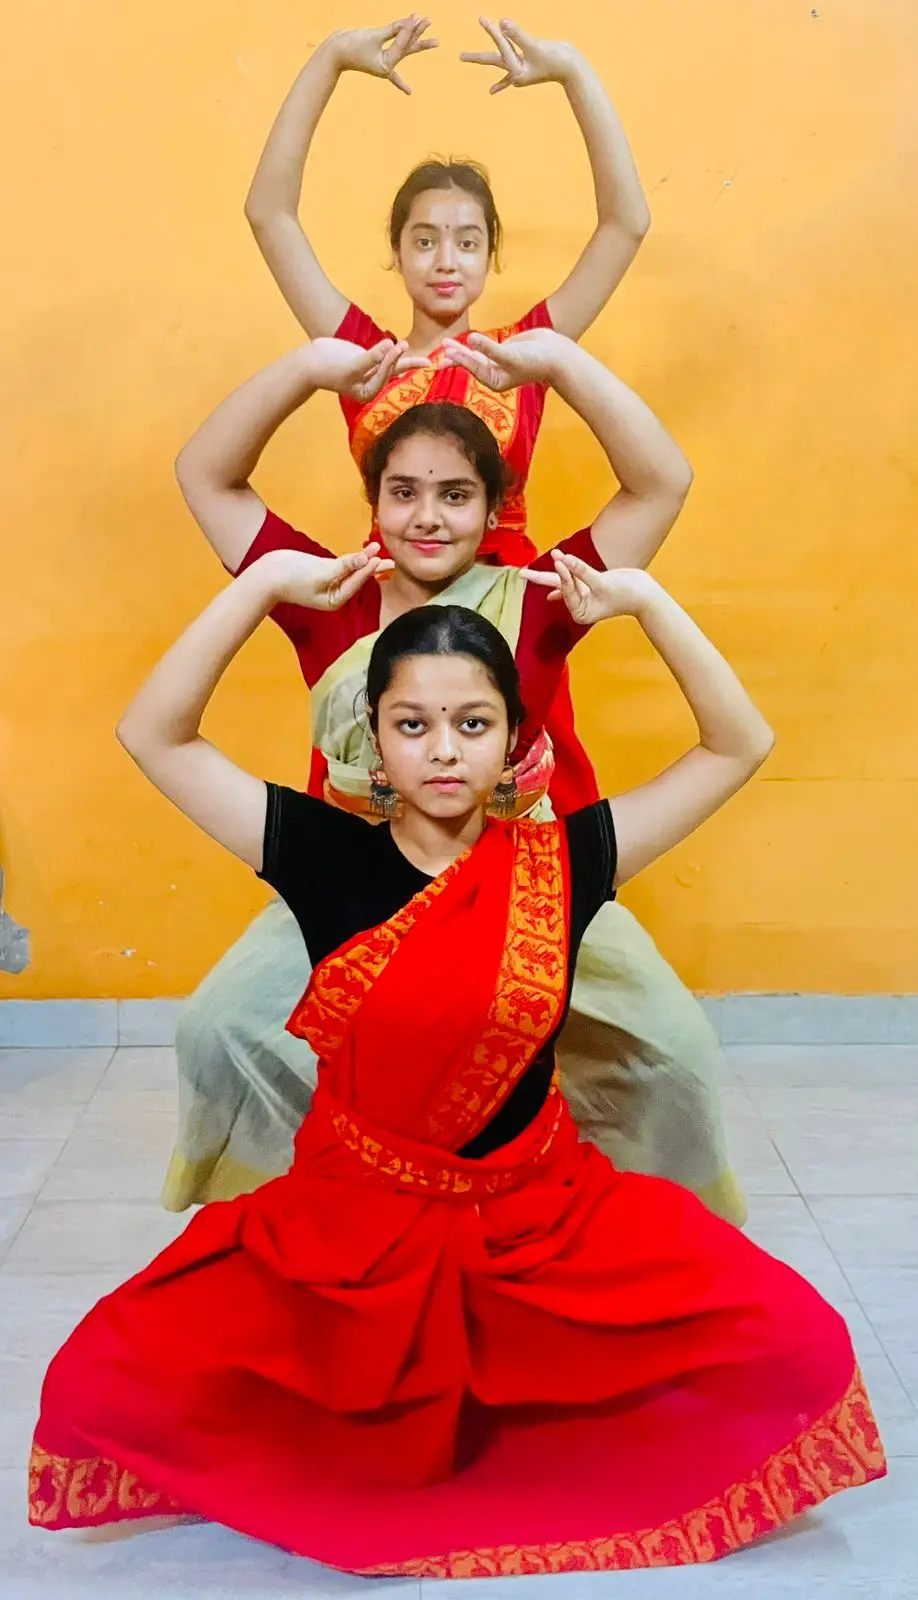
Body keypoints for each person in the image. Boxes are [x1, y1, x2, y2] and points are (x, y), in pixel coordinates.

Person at [29, 562, 885, 1572]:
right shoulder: (318, 853)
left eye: (473, 723)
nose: (443, 749)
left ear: (515, 738)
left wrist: (648, 603)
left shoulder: (568, 860)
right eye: (414, 724)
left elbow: (739, 744)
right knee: (96, 1382)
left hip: (540, 1219)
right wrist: (262, 586)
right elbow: (155, 735)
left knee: (800, 1346)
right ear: (375, 737)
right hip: (348, 1230)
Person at [166, 328, 745, 1226]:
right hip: (360, 886)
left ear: (493, 506)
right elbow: (206, 476)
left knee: (673, 1047)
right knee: (219, 1030)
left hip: (521, 889)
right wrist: (307, 368)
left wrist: (560, 363)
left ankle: (631, 1226)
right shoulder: (330, 596)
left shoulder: (541, 597)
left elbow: (662, 484)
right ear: (374, 502)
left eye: (455, 494)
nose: (427, 517)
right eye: (403, 492)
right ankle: (304, 1219)